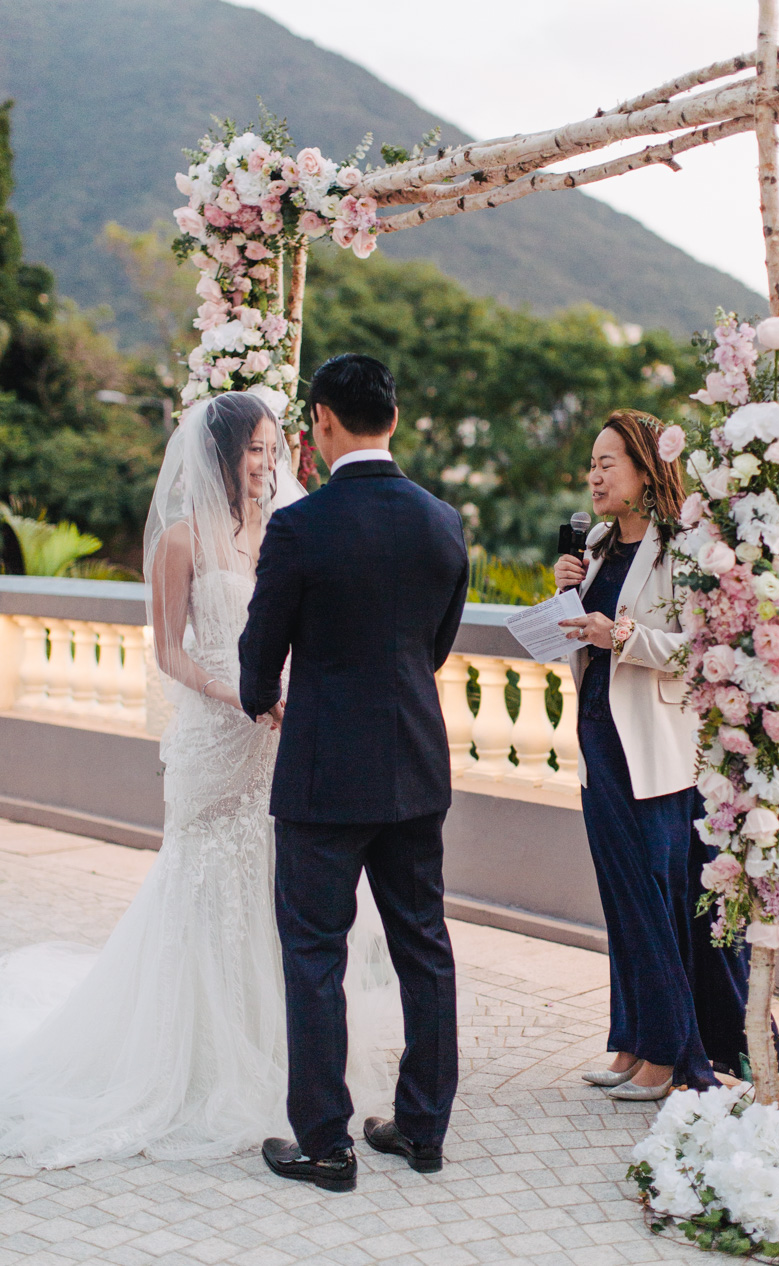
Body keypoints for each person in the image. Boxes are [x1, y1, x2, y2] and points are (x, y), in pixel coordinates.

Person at [0, 392, 396, 1167]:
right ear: (218, 455)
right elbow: (168, 654)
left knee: (271, 881)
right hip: (216, 735)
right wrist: (238, 696)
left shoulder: (285, 532)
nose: (267, 463)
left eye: (272, 448)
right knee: (204, 877)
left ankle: (284, 1051)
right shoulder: (180, 541)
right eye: (253, 450)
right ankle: (187, 1056)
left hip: (278, 736)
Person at [239, 353, 469, 1193]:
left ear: (321, 422)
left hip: (324, 774)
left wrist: (261, 696)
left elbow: (262, 647)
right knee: (425, 949)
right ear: (394, 421)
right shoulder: (443, 521)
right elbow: (435, 645)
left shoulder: (301, 526)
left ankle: (326, 1145)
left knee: (313, 955)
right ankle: (423, 1128)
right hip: (414, 764)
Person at [555, 409, 753, 1101]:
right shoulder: (601, 544)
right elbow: (582, 636)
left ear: (646, 469)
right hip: (597, 740)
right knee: (620, 899)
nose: (594, 475)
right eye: (591, 463)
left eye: (608, 462)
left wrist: (626, 636)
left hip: (656, 752)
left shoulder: (684, 547)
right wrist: (563, 593)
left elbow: (703, 652)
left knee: (654, 903)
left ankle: (670, 1057)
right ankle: (633, 1041)